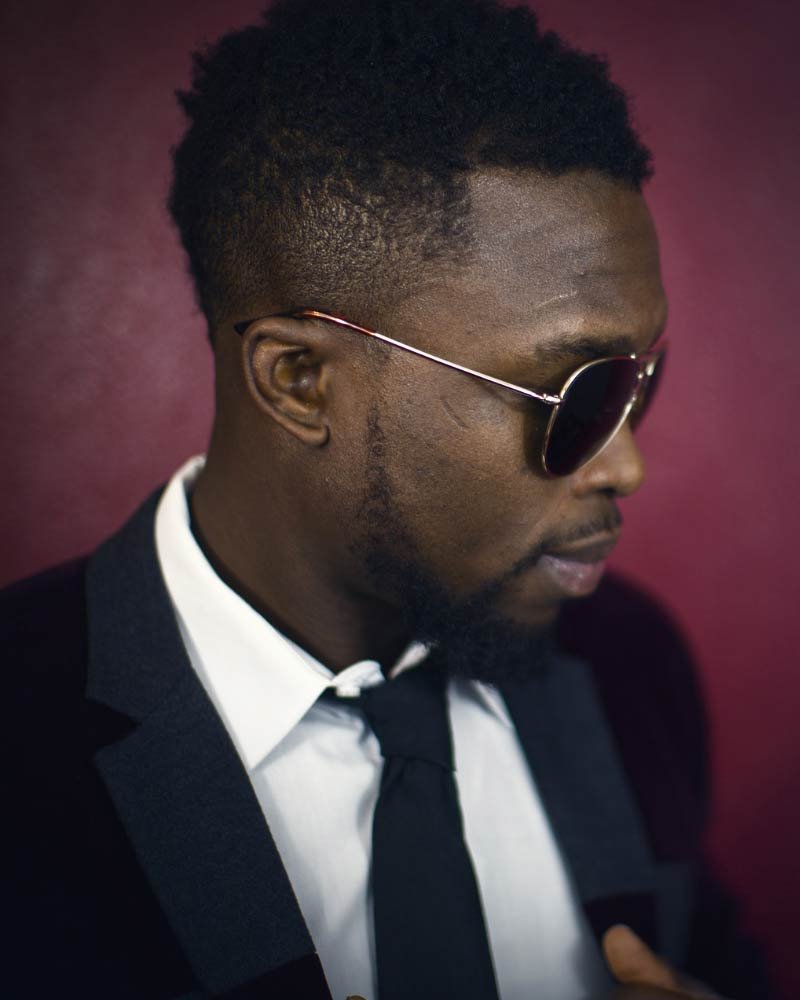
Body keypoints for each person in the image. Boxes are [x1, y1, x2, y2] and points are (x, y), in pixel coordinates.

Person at [4, 1, 773, 998]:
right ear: (299, 382)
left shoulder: (626, 662)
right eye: (576, 397)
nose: (623, 467)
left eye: (636, 381)